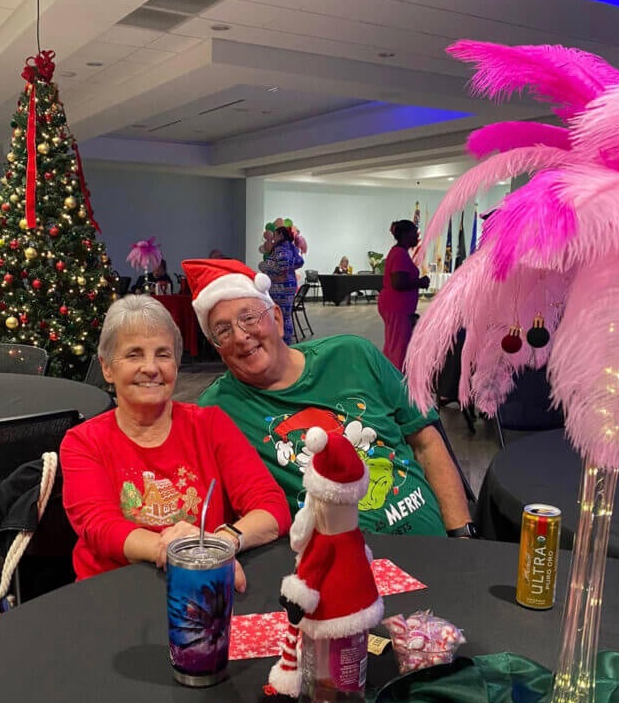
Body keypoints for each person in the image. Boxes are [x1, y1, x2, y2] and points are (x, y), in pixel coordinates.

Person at [181, 258, 476, 539]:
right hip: (339, 572)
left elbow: (426, 443)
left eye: (248, 318)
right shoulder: (215, 410)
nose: (240, 335)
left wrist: (461, 535)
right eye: (223, 330)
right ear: (216, 346)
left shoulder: (354, 353)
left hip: (436, 549)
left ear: (276, 318)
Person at [60, 295, 291, 589]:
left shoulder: (210, 425)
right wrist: (175, 552)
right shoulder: (83, 442)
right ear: (107, 368)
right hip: (112, 592)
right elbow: (101, 528)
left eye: (163, 354)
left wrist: (216, 545)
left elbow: (272, 507)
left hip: (206, 582)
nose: (151, 367)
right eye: (134, 354)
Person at [377, 219, 430, 371]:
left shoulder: (400, 252)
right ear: (406, 235)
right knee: (398, 347)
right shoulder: (400, 254)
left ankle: (390, 374)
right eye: (415, 233)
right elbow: (398, 282)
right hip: (397, 307)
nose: (417, 238)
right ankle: (395, 377)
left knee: (395, 343)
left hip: (398, 306)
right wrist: (420, 282)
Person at [259, 225, 304, 345]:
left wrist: (265, 266)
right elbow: (300, 262)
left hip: (280, 287)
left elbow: (282, 266)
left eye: (275, 234)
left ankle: (281, 342)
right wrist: (289, 270)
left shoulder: (280, 249)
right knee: (286, 316)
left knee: (279, 315)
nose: (273, 237)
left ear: (281, 235)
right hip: (289, 285)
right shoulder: (291, 247)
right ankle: (286, 341)